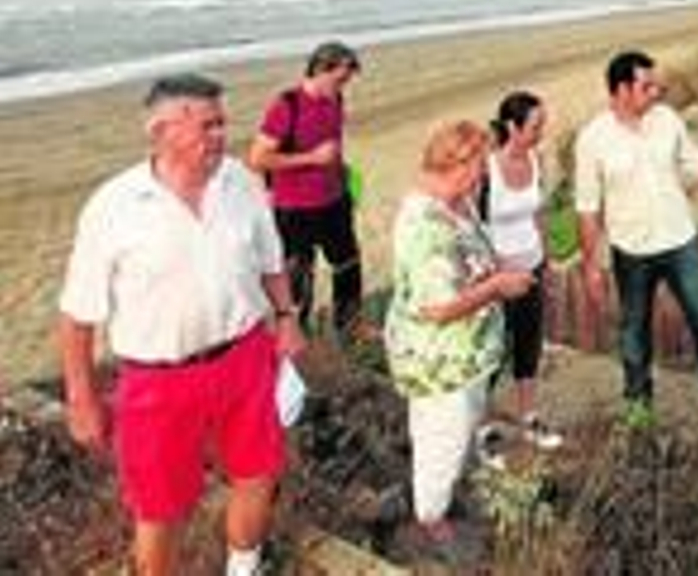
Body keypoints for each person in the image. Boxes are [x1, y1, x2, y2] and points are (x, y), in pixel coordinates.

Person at [58, 73, 306, 576]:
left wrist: (286, 319)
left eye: (222, 124)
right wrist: (81, 398)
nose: (220, 136)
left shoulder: (239, 181)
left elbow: (271, 260)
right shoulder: (114, 206)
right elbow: (77, 314)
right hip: (157, 382)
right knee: (160, 509)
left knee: (258, 473)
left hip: (245, 358)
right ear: (161, 131)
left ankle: (244, 567)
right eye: (207, 126)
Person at [575, 50, 698, 437]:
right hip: (631, 253)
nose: (656, 91)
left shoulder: (666, 120)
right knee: (634, 338)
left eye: (655, 84)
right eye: (647, 86)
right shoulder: (593, 139)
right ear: (622, 90)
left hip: (681, 243)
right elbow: (587, 209)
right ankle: (639, 414)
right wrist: (592, 266)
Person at [385, 120, 533, 554]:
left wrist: (499, 266)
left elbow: (474, 253)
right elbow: (437, 309)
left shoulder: (457, 203)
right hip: (440, 362)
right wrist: (497, 288)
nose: (483, 177)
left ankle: (443, 494)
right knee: (441, 439)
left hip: (467, 356)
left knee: (456, 429)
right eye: (479, 168)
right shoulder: (425, 224)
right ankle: (430, 520)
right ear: (459, 163)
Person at [248, 40, 366, 339]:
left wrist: (346, 181)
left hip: (334, 199)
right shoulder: (287, 105)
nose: (344, 86)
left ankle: (349, 325)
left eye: (348, 80)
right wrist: (312, 158)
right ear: (319, 70)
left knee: (348, 264)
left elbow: (333, 148)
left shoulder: (336, 99)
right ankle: (298, 336)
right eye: (340, 78)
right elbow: (257, 158)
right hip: (294, 208)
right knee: (299, 276)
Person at [483, 90, 564, 450]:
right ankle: (482, 430)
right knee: (491, 353)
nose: (540, 132)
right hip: (496, 278)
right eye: (535, 126)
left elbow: (539, 214)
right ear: (512, 127)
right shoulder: (487, 169)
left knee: (528, 347)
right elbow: (474, 226)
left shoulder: (536, 159)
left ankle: (529, 419)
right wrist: (495, 272)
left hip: (530, 268)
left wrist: (546, 261)